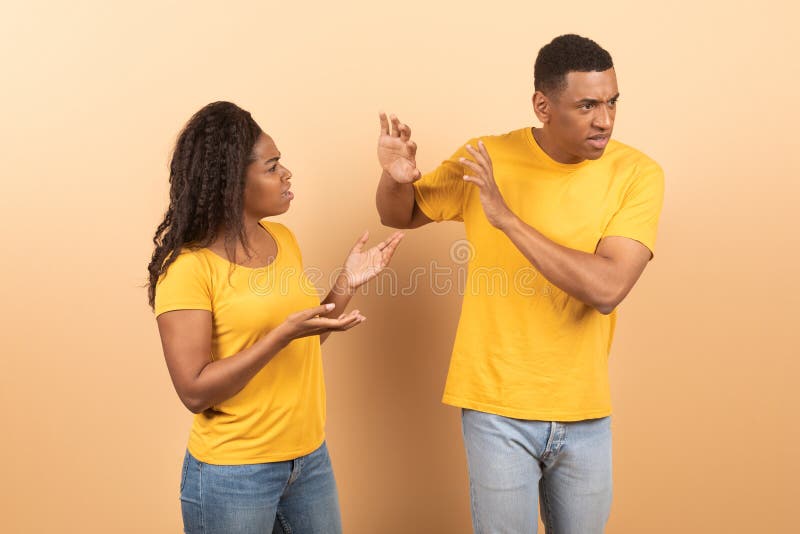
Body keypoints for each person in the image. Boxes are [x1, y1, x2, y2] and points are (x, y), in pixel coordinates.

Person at [375, 34, 664, 533]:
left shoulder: (637, 173)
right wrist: (396, 178)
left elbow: (607, 287)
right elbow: (401, 214)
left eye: (613, 102)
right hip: (495, 409)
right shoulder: (487, 156)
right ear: (542, 105)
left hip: (584, 411)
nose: (606, 120)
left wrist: (505, 218)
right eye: (588, 105)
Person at [147, 101, 403, 534]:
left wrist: (346, 282)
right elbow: (193, 391)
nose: (287, 175)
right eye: (272, 167)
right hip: (235, 473)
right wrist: (278, 337)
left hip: (308, 460)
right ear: (233, 184)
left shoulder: (282, 238)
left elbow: (303, 334)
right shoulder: (188, 269)